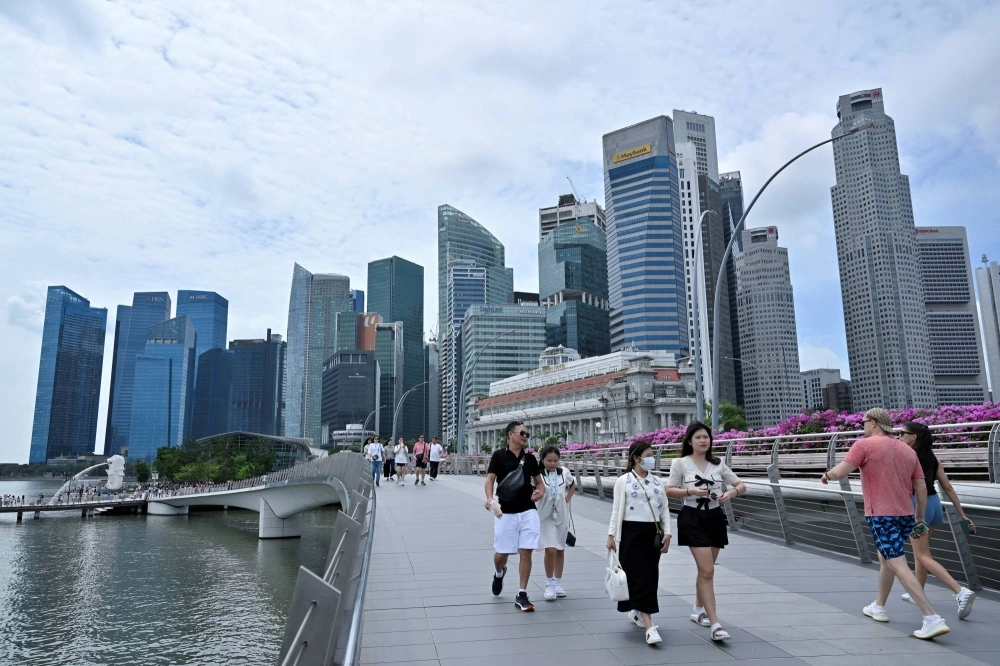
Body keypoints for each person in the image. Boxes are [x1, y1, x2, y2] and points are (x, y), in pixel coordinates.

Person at [822, 408, 950, 639]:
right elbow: (921, 486)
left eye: (863, 422)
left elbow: (841, 472)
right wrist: (919, 516)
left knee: (898, 563)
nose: (862, 426)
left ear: (873, 422)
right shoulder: (907, 449)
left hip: (881, 515)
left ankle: (931, 618)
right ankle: (878, 605)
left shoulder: (864, 445)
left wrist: (827, 475)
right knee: (885, 558)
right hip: (905, 514)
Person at [664, 422, 744, 643]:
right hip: (692, 518)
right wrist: (689, 491)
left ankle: (698, 609)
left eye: (706, 437)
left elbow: (740, 485)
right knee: (707, 570)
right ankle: (715, 624)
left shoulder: (718, 463)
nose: (703, 441)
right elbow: (669, 490)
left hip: (715, 517)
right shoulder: (680, 463)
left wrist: (730, 494)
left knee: (706, 570)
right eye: (698, 437)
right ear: (690, 441)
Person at [897, 422, 976, 618]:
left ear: (913, 437)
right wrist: (962, 515)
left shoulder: (908, 456)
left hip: (918, 507)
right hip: (933, 505)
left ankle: (960, 591)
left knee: (923, 555)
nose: (899, 436)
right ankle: (917, 592)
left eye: (903, 433)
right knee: (920, 553)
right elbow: (947, 487)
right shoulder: (932, 457)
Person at [607, 439, 672, 645]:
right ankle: (649, 625)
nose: (652, 459)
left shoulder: (658, 481)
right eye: (648, 455)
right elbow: (616, 509)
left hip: (652, 533)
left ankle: (638, 612)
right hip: (630, 533)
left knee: (649, 575)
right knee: (637, 576)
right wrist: (611, 535)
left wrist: (668, 532)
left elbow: (664, 508)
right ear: (636, 458)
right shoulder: (623, 481)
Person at [485, 421, 544, 611]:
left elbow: (539, 482)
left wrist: (540, 492)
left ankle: (522, 593)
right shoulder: (499, 456)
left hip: (528, 510)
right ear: (510, 434)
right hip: (506, 512)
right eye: (522, 433)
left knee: (526, 550)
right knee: (501, 554)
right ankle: (499, 573)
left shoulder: (530, 458)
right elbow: (490, 479)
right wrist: (490, 498)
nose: (525, 436)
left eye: (527, 434)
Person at [537, 446, 576, 600]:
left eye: (555, 461)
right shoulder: (538, 475)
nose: (553, 464)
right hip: (545, 515)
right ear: (542, 460)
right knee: (550, 549)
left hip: (561, 515)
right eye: (549, 461)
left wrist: (568, 498)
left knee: (560, 548)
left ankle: (558, 582)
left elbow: (572, 484)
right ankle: (549, 583)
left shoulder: (564, 472)